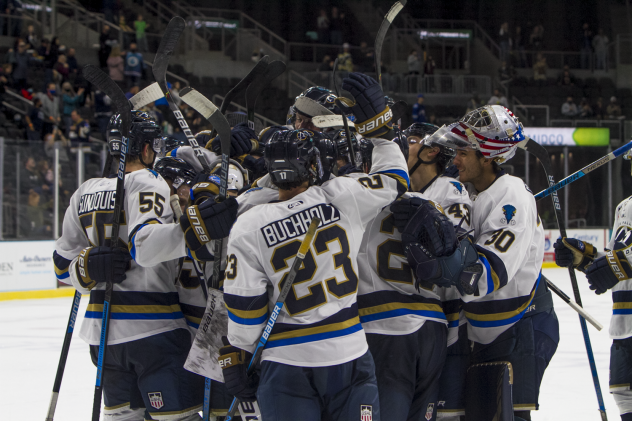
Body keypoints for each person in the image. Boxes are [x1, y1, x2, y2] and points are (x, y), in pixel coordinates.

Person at [219, 73, 409, 421]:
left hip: (286, 359)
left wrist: (239, 349)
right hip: (350, 350)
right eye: (298, 120)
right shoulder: (345, 193)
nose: (300, 123)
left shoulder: (250, 218)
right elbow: (396, 180)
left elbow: (244, 311)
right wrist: (382, 135)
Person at [53, 113, 209, 421]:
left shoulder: (85, 191)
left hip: (103, 337)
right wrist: (198, 230)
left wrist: (86, 267)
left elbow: (61, 268)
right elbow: (146, 244)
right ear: (147, 148)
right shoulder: (149, 180)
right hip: (155, 330)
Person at [448, 105, 559, 421]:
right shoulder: (476, 192)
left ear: (487, 156)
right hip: (490, 332)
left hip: (518, 331)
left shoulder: (510, 195)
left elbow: (481, 277)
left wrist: (444, 249)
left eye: (464, 153)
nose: (455, 160)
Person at [356, 122, 473, 421]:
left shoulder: (355, 195)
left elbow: (461, 253)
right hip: (433, 324)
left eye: (410, 140)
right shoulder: (424, 197)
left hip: (388, 325)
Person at [554, 156, 632, 420]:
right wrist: (585, 257)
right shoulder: (625, 207)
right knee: (624, 393)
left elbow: (622, 262)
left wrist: (620, 263)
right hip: (624, 324)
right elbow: (614, 261)